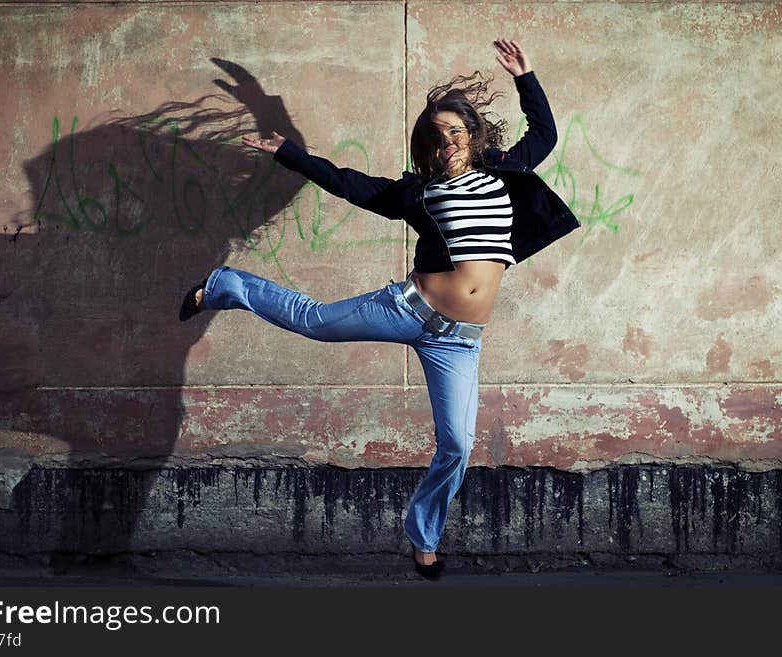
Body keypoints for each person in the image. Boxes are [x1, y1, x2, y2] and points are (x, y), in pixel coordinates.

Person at [179, 38, 579, 579]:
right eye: (437, 137)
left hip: (459, 342)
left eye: (456, 132)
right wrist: (289, 153)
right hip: (408, 308)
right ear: (428, 148)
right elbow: (353, 186)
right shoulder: (421, 192)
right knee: (314, 321)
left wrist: (525, 77)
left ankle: (423, 536)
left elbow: (545, 135)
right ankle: (228, 285)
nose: (449, 143)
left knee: (457, 446)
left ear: (473, 135)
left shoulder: (506, 172)